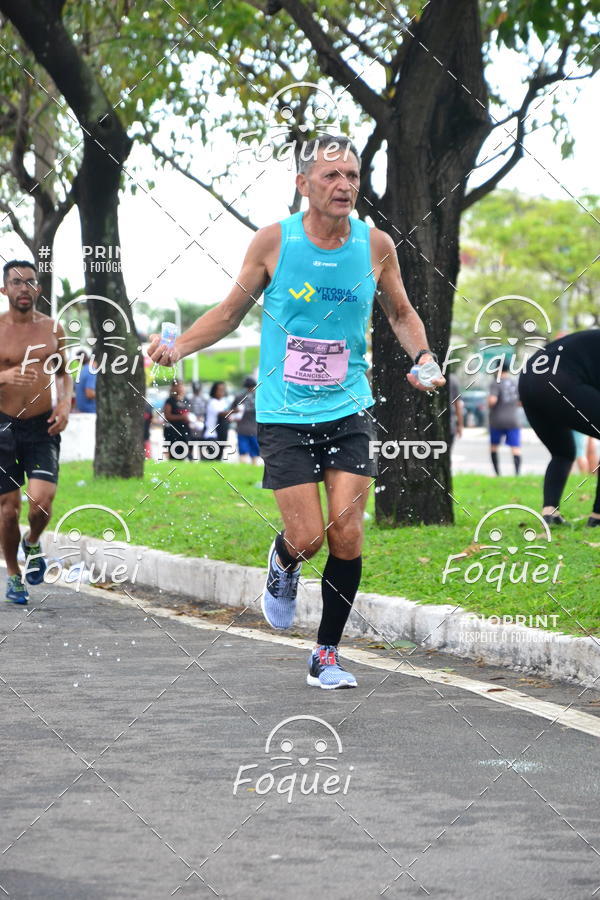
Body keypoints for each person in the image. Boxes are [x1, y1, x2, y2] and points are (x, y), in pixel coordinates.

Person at [148, 135, 444, 689]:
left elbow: (401, 312)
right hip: (284, 413)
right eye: (331, 175)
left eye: (352, 175)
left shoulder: (376, 245)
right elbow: (230, 313)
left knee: (347, 533)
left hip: (349, 408)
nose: (344, 185)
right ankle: (284, 562)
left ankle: (326, 654)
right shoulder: (273, 242)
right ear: (303, 184)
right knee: (308, 538)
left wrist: (423, 356)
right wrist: (178, 347)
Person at [0, 259, 72, 603]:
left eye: (29, 282)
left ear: (38, 289)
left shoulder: (52, 328)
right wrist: (4, 376)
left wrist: (65, 403)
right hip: (3, 425)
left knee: (41, 502)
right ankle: (14, 574)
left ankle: (31, 543)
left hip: (43, 425)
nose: (23, 288)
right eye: (16, 282)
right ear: (4, 289)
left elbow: (63, 372)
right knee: (8, 509)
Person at [519, 329, 600, 526]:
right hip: (559, 379)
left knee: (562, 452)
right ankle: (597, 517)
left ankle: (550, 513)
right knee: (562, 452)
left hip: (528, 380)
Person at [488, 361, 522, 476]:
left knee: (494, 447)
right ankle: (517, 474)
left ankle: (498, 474)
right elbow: (520, 402)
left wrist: (488, 404)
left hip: (497, 420)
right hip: (513, 420)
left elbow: (492, 401)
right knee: (515, 447)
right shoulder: (515, 383)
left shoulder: (496, 383)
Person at [202, 381, 232, 461]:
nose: (222, 392)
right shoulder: (212, 402)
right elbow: (221, 414)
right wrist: (234, 411)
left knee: (218, 458)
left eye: (223, 390)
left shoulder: (223, 402)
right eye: (219, 390)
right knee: (211, 459)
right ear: (214, 391)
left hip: (221, 434)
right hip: (212, 435)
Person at [234, 376, 260, 464]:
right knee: (254, 454)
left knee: (243, 453)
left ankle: (244, 469)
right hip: (255, 430)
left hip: (242, 429)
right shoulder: (258, 397)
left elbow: (232, 411)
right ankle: (251, 469)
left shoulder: (239, 396)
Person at [162, 380, 191, 459]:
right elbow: (167, 416)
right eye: (177, 386)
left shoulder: (186, 400)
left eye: (181, 386)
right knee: (174, 454)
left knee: (184, 452)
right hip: (173, 431)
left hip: (184, 430)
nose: (180, 388)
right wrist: (181, 417)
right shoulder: (170, 401)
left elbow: (189, 412)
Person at [448, 373, 464, 451]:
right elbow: (458, 405)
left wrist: (460, 425)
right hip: (449, 423)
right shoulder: (453, 379)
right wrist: (460, 425)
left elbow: (457, 404)